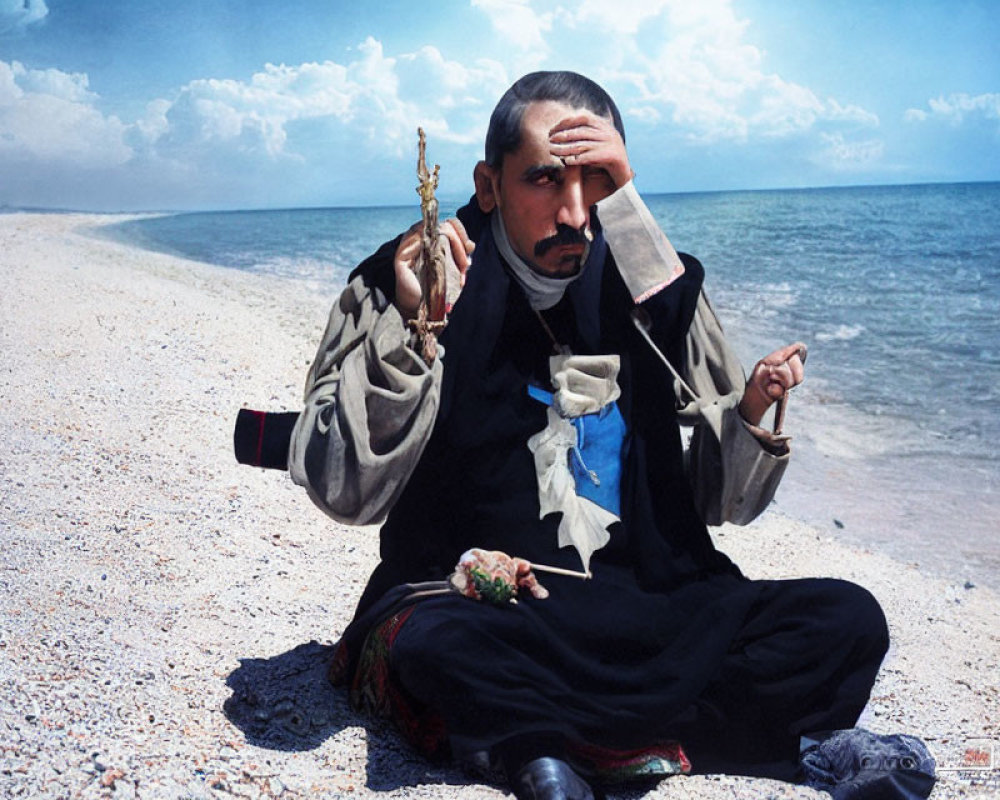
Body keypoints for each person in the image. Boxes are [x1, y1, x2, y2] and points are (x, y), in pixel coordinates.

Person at [287, 72, 897, 800]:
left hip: (649, 601)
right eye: (545, 180)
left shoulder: (655, 288)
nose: (576, 212)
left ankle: (550, 749)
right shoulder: (415, 280)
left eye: (600, 180)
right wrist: (419, 334)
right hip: (492, 609)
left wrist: (748, 417)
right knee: (440, 650)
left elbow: (717, 503)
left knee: (847, 621)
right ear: (489, 185)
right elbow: (343, 490)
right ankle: (693, 740)